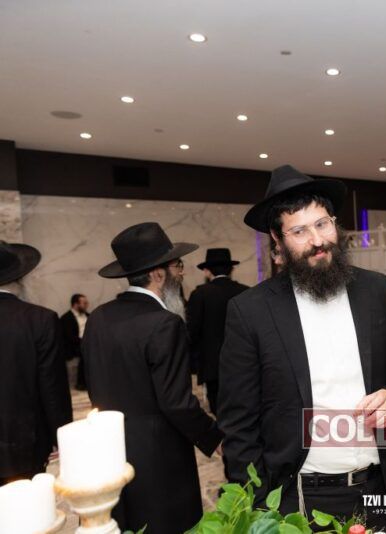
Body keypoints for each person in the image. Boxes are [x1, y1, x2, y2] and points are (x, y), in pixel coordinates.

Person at [218, 165, 386, 533]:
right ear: (278, 240)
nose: (318, 240)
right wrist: (259, 510)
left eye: (322, 224)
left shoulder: (376, 289)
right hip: (302, 497)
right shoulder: (250, 311)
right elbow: (239, 425)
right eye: (299, 231)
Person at [82, 222, 223, 533]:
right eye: (177, 266)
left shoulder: (99, 317)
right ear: (159, 274)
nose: (181, 274)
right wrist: (214, 437)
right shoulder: (164, 323)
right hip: (159, 457)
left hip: (110, 450)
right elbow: (176, 402)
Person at [0, 241, 72, 486]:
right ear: (20, 279)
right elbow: (52, 387)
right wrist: (60, 436)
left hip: (24, 443)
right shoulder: (40, 319)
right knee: (26, 507)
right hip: (25, 444)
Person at [186, 248, 249, 414]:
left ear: (207, 271)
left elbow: (192, 332)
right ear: (231, 269)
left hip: (212, 368)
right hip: (244, 366)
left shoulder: (199, 294)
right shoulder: (246, 292)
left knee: (219, 412)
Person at [60, 293, 90, 390]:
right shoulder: (66, 318)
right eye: (84, 303)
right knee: (86, 352)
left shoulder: (89, 316)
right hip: (74, 346)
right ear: (76, 304)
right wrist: (85, 342)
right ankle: (81, 383)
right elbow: (70, 337)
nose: (87, 305)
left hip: (88, 343)